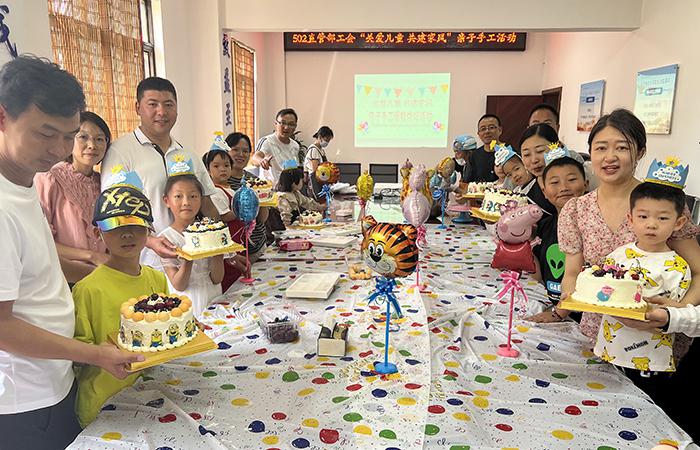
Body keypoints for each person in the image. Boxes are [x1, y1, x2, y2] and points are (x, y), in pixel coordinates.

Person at [0, 55, 141, 450]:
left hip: (53, 378)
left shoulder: (23, 183)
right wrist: (93, 354)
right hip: (23, 399)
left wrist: (114, 270)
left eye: (68, 135)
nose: (59, 149)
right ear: (3, 117)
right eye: (45, 133)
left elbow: (38, 266)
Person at [529, 109, 700, 330]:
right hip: (597, 331)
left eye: (621, 147)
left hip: (656, 333)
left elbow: (698, 271)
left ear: (640, 152)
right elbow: (572, 273)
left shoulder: (663, 205)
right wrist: (558, 312)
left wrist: (678, 311)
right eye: (601, 148)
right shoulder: (576, 209)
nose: (609, 157)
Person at [591, 167, 692, 404]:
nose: (651, 225)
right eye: (643, 216)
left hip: (649, 359)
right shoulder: (618, 256)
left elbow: (674, 313)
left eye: (662, 218)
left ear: (679, 222)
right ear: (631, 219)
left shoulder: (677, 267)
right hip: (609, 349)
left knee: (640, 409)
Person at [73, 181, 167, 427]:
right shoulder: (88, 289)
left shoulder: (156, 278)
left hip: (149, 394)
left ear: (148, 231)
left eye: (136, 225)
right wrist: (100, 352)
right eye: (115, 226)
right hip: (103, 402)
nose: (127, 234)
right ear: (98, 234)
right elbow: (77, 355)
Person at [100, 77, 218, 269]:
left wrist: (223, 250)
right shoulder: (120, 152)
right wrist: (149, 240)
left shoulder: (187, 154)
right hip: (147, 264)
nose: (161, 112)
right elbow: (114, 212)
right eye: (152, 104)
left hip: (195, 263)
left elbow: (207, 206)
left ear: (177, 109)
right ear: (138, 108)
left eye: (168, 105)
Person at [35, 111, 112, 282]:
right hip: (62, 279)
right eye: (83, 137)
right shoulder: (49, 178)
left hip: (103, 280)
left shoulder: (105, 183)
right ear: (69, 140)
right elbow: (40, 242)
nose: (92, 145)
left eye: (100, 139)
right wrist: (92, 256)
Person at [159, 162, 224, 316]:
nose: (186, 202)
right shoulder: (165, 239)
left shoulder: (209, 231)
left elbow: (217, 278)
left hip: (213, 296)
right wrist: (188, 258)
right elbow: (179, 285)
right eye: (178, 196)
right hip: (186, 303)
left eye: (193, 196)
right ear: (166, 201)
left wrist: (218, 253)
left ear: (201, 200)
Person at [531, 149, 588, 309]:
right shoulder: (544, 226)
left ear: (586, 184)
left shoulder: (593, 226)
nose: (564, 187)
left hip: (581, 312)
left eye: (571, 179)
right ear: (544, 192)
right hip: (552, 305)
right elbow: (537, 275)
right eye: (555, 182)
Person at [528, 103, 599, 190]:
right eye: (535, 124)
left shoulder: (573, 157)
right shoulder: (523, 163)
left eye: (547, 124)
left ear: (557, 127)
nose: (541, 129)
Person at [225, 132, 269, 257]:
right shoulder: (221, 181)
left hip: (258, 246)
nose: (241, 154)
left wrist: (262, 197)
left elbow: (262, 219)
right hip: (232, 250)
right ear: (226, 151)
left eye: (245, 151)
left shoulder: (255, 181)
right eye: (235, 150)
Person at [251, 108, 301, 185]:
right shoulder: (267, 141)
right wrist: (262, 161)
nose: (286, 127)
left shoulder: (295, 145)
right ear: (276, 124)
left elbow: (292, 167)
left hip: (287, 188)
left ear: (295, 127)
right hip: (269, 189)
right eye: (283, 123)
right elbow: (255, 158)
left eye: (291, 124)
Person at [465, 114, 501, 183]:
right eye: (483, 129)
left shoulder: (509, 152)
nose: (487, 131)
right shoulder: (474, 155)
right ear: (478, 134)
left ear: (500, 130)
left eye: (491, 127)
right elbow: (468, 182)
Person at [304, 126, 333, 199]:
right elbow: (315, 170)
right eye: (326, 140)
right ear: (320, 137)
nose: (327, 142)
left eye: (328, 141)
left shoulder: (321, 150)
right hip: (315, 182)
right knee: (318, 201)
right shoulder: (314, 150)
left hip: (321, 181)